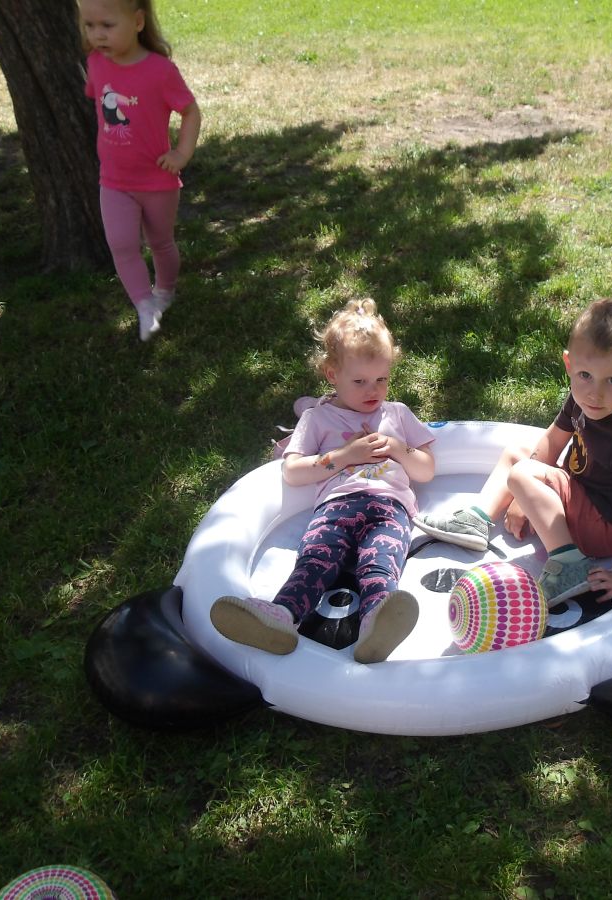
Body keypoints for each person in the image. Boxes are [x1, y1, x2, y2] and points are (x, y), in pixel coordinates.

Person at [211, 299, 437, 663]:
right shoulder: (317, 419)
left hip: (389, 507)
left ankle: (377, 624)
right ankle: (280, 616)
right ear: (333, 375)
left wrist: (398, 447)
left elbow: (426, 469)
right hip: (336, 507)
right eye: (360, 381)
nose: (373, 390)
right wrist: (345, 456)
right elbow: (293, 471)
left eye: (381, 379)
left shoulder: (397, 414)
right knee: (316, 560)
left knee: (381, 562)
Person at [415, 298, 612, 607]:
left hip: (604, 529)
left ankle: (569, 563)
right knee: (518, 453)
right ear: (569, 364)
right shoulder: (584, 398)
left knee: (522, 473)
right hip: (580, 498)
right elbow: (552, 441)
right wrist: (524, 499)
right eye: (585, 375)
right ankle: (477, 520)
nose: (595, 392)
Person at [79, 0, 202, 341]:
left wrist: (181, 153)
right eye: (89, 25)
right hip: (114, 179)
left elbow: (191, 112)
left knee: (160, 242)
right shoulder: (95, 63)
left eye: (107, 25)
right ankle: (144, 304)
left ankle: (165, 291)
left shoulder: (160, 70)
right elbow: (97, 98)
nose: (97, 35)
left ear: (137, 21)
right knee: (121, 244)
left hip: (158, 179)